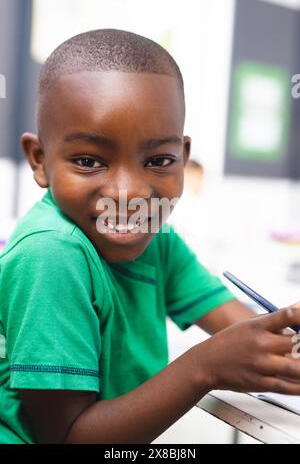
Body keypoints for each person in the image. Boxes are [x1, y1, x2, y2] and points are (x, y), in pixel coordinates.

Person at [1, 29, 300, 445]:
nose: (130, 193)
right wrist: (205, 367)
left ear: (183, 156)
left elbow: (240, 322)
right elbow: (67, 437)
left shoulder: (155, 234)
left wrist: (286, 339)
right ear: (40, 161)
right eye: (89, 161)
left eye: (158, 160)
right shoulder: (51, 253)